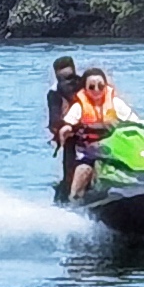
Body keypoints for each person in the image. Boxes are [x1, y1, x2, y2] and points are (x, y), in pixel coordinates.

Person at [60, 67, 141, 202]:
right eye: (91, 87)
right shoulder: (79, 107)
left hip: (116, 149)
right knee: (83, 170)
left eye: (100, 86)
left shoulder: (116, 103)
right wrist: (66, 129)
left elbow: (136, 121)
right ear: (85, 89)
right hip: (90, 153)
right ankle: (74, 200)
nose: (96, 90)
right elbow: (68, 123)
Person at [46, 55, 81, 204]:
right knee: (70, 167)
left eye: (71, 77)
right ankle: (68, 194)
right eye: (63, 79)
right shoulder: (54, 94)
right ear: (58, 79)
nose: (69, 83)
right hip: (70, 136)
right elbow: (54, 119)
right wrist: (65, 127)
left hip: (95, 131)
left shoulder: (86, 84)